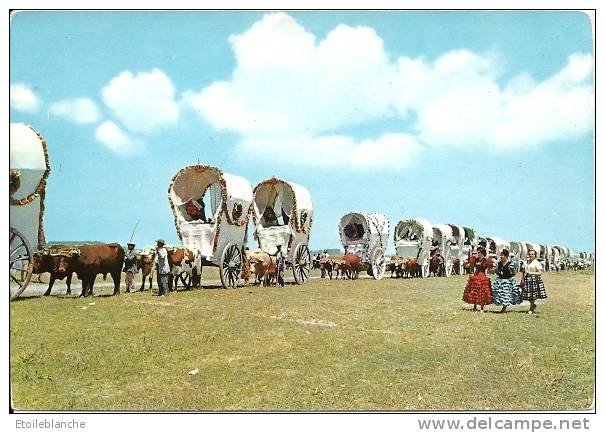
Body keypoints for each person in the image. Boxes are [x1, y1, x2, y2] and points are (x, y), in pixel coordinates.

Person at [462, 246, 493, 312]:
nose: (477, 254)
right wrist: (465, 264)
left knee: (482, 292)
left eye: (479, 252)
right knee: (474, 291)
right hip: (476, 275)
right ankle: (475, 306)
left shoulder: (485, 260)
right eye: (477, 252)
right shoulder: (475, 259)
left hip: (482, 276)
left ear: (482, 253)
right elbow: (469, 265)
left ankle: (482, 308)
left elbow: (490, 269)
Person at [520, 249, 547, 314]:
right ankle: (533, 305)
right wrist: (522, 279)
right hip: (527, 279)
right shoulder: (525, 262)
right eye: (529, 254)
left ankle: (531, 308)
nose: (531, 255)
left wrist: (531, 273)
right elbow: (523, 271)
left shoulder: (537, 263)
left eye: (532, 254)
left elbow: (540, 273)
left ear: (535, 255)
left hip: (534, 280)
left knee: (532, 295)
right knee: (528, 295)